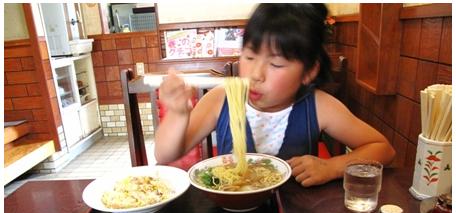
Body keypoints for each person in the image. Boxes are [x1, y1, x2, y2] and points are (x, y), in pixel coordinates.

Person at [154, 3, 395, 187]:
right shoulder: (221, 98)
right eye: (249, 57)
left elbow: (382, 148)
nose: (256, 74)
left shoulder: (318, 105)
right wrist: (177, 113)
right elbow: (165, 155)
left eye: (276, 64)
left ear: (308, 72)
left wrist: (332, 167)